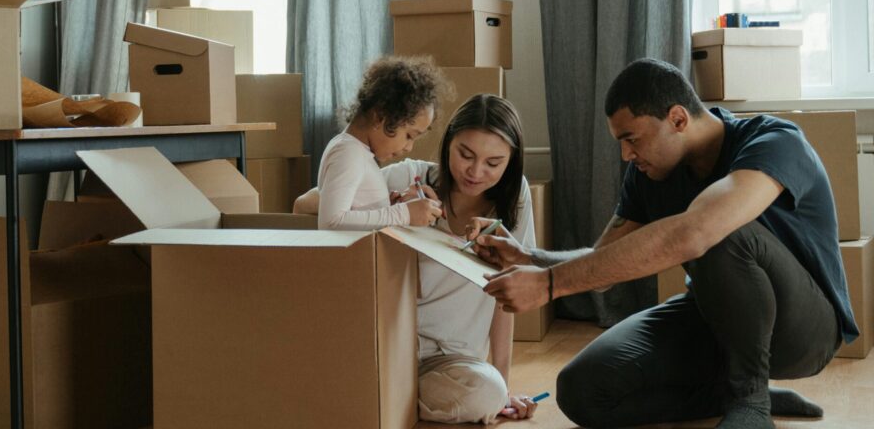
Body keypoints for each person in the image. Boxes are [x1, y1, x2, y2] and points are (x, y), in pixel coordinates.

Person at [470, 58, 857, 429]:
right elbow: (602, 264)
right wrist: (533, 259)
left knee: (718, 230)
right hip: (713, 317)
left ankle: (750, 402)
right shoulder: (649, 172)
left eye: (631, 138)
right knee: (583, 391)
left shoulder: (775, 141)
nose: (625, 154)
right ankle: (729, 393)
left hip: (805, 331)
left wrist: (549, 285)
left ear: (677, 118)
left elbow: (697, 233)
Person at [297, 94, 541, 423]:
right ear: (448, 143)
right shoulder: (410, 177)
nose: (475, 171)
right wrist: (395, 209)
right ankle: (385, 394)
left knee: (488, 394)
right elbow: (306, 204)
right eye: (465, 154)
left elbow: (506, 295)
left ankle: (384, 398)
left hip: (453, 361)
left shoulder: (516, 201)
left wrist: (504, 385)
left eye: (493, 163)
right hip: (390, 347)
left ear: (511, 162)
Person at [315, 55, 448, 230]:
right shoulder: (348, 153)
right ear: (380, 116)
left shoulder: (358, 152)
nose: (409, 147)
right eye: (409, 135)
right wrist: (403, 214)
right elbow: (331, 222)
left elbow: (357, 216)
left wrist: (389, 208)